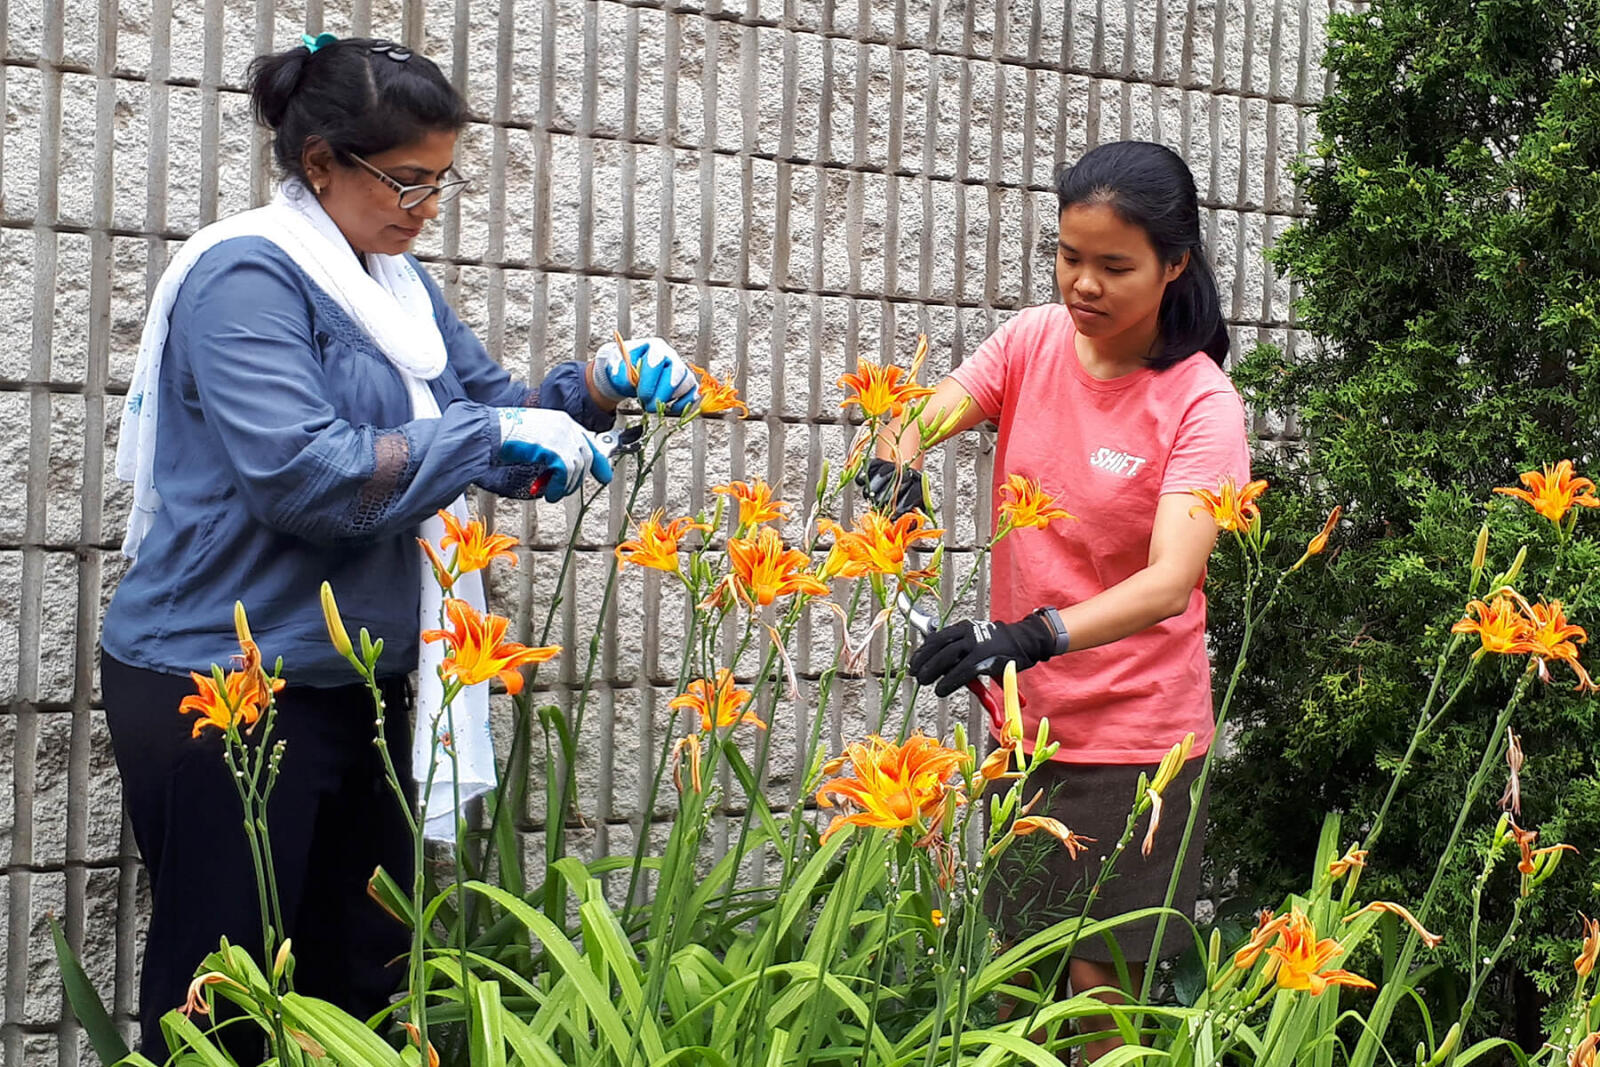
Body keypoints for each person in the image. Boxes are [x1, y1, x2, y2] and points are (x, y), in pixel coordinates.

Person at [99, 34, 698, 1058]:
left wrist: (592, 388)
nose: (426, 206)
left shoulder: (395, 287)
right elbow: (303, 472)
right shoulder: (246, 275)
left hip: (362, 683)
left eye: (440, 181)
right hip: (224, 679)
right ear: (320, 161)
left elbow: (482, 415)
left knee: (367, 977)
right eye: (406, 180)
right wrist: (487, 437)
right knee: (226, 986)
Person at [872, 141, 1250, 1062]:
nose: (1082, 283)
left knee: (1095, 985)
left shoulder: (1201, 403)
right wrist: (894, 464)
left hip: (1134, 742)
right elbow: (920, 414)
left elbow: (1171, 580)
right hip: (1025, 728)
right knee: (1014, 971)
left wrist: (1031, 635)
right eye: (1068, 255)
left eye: (1113, 265)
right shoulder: (1033, 340)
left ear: (1174, 265)